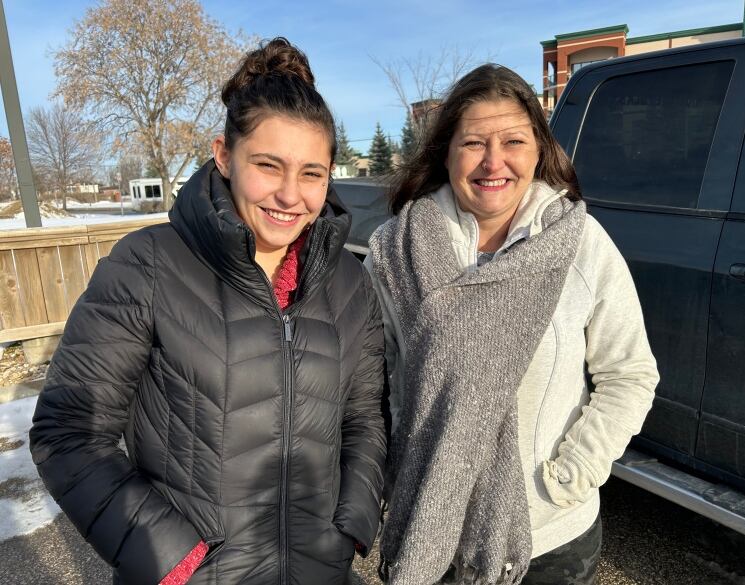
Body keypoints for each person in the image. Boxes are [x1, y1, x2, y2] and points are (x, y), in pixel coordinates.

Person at [29, 38, 387, 585]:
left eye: (312, 173)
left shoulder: (348, 282)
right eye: (268, 166)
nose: (291, 195)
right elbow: (69, 431)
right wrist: (176, 561)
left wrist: (352, 525)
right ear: (224, 155)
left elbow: (364, 419)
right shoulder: (148, 266)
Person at [366, 64, 659, 585]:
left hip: (552, 537)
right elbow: (373, 386)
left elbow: (630, 373)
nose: (493, 161)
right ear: (447, 152)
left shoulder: (580, 243)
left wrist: (570, 476)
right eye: (474, 142)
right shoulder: (397, 251)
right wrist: (392, 477)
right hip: (431, 528)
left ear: (539, 150)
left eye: (513, 141)